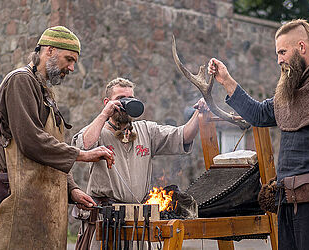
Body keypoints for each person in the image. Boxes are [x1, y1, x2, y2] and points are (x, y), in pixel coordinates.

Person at [207, 19, 309, 250]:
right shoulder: (292, 90)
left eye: (282, 52)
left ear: (302, 47)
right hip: (286, 204)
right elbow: (259, 114)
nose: (279, 60)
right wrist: (226, 81)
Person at [0, 26, 115, 249]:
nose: (72, 68)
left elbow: (52, 145)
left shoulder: (45, 91)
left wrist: (72, 189)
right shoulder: (20, 82)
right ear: (50, 51)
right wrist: (83, 154)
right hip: (22, 197)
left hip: (43, 198)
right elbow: (31, 140)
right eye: (69, 59)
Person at [71, 77, 207, 249]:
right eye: (121, 99)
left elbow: (183, 135)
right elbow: (84, 145)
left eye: (130, 99)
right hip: (105, 222)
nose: (126, 104)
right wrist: (105, 113)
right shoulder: (98, 130)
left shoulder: (146, 131)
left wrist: (200, 113)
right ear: (107, 102)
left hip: (137, 221)